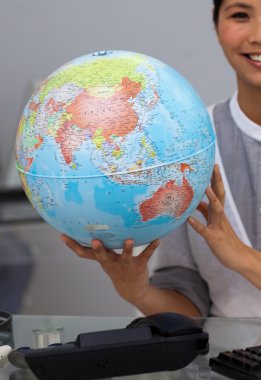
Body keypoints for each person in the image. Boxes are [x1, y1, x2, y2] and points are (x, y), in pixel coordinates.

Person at [61, 0, 261, 317]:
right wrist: (137, 291)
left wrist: (241, 257)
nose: (258, 35)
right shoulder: (186, 144)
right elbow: (189, 308)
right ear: (216, 25)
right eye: (240, 15)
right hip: (230, 363)